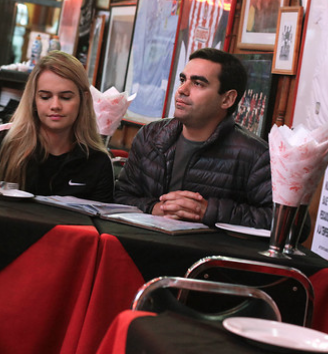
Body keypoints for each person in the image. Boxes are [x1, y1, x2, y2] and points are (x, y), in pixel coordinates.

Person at [114, 48, 272, 228]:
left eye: (198, 83)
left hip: (207, 253)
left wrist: (208, 212)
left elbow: (284, 222)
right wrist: (154, 208)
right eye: (183, 80)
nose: (182, 90)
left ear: (227, 99)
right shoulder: (151, 135)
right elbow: (120, 196)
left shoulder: (255, 154)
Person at [0, 51, 114, 202]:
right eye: (45, 97)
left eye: (66, 97)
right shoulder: (2, 140)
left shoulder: (98, 161)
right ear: (33, 99)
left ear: (84, 99)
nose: (55, 106)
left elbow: (99, 223)